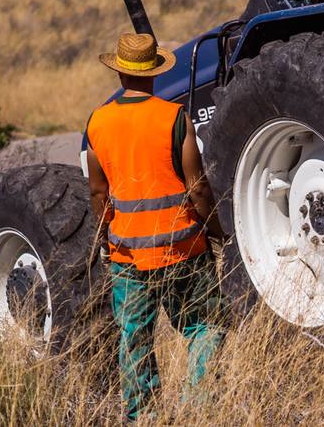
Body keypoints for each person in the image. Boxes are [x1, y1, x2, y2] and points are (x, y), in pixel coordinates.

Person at [83, 32, 223, 421]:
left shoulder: (98, 122)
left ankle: (141, 416)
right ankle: (199, 411)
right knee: (204, 328)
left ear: (120, 73)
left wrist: (110, 236)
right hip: (185, 249)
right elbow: (197, 187)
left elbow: (98, 193)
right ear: (155, 74)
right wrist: (216, 232)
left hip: (127, 254)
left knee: (135, 337)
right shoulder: (174, 117)